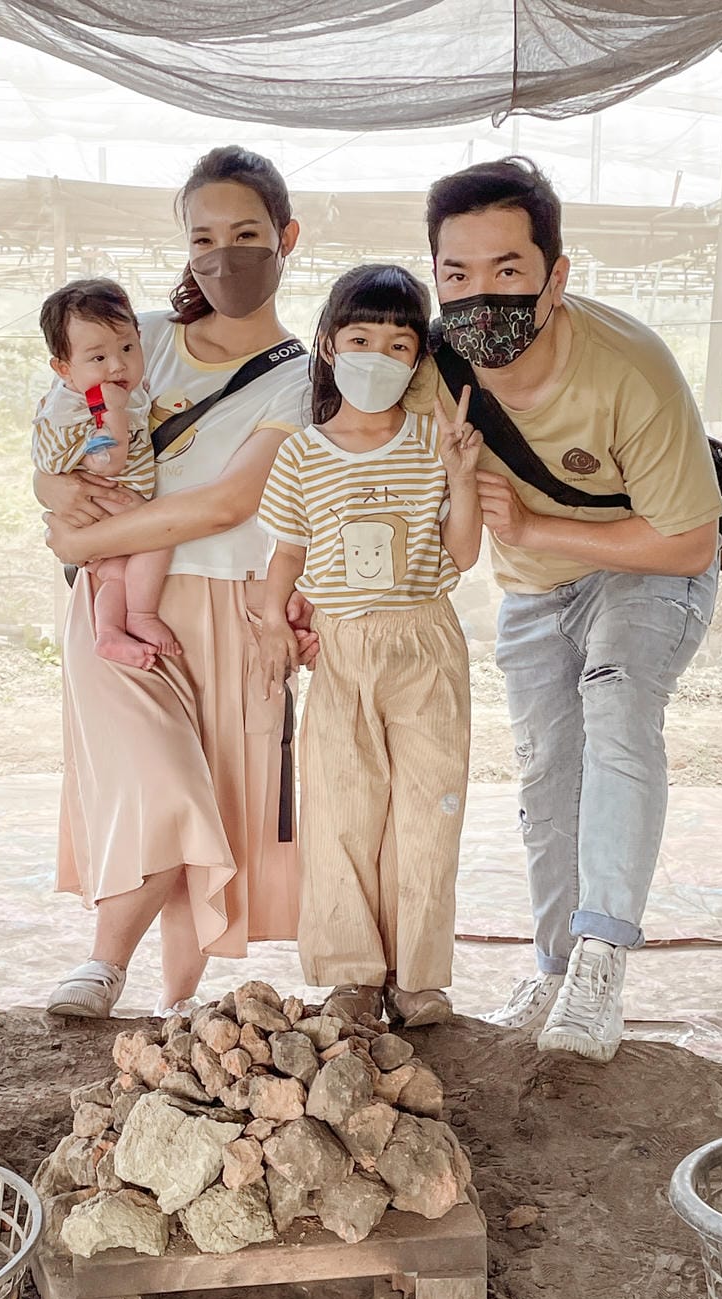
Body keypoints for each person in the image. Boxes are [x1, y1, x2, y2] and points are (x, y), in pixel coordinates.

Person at [422, 156, 722, 1062]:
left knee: (618, 707)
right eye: (457, 275)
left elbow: (689, 542)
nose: (482, 296)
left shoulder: (629, 367)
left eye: (508, 271)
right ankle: (552, 965)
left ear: (556, 275)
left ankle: (601, 960)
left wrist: (545, 522)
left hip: (647, 566)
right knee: (547, 772)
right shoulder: (430, 365)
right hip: (531, 588)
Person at [38, 146, 312, 1019]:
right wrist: (58, 504)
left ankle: (176, 1003)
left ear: (285, 239)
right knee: (162, 782)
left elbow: (230, 502)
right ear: (184, 244)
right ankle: (103, 964)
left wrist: (84, 533)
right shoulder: (136, 337)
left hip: (231, 607)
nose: (222, 253)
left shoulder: (307, 378)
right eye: (204, 235)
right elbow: (52, 447)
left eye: (245, 233)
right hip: (118, 602)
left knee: (218, 800)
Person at [257, 264, 482, 1027]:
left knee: (428, 809)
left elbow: (465, 553)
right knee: (343, 808)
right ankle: (352, 972)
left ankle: (419, 976)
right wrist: (271, 633)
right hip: (342, 651)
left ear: (418, 359)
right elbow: (282, 563)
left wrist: (461, 474)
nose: (377, 357)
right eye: (360, 339)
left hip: (425, 642)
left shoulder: (434, 442)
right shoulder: (300, 455)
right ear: (327, 345)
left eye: (398, 344)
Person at [33, 277, 178, 669]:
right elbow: (107, 462)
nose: (117, 365)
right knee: (160, 538)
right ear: (64, 369)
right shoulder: (84, 407)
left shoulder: (104, 391)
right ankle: (141, 615)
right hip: (106, 504)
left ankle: (110, 632)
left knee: (115, 574)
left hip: (104, 512)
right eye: (98, 358)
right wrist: (113, 414)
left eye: (128, 348)